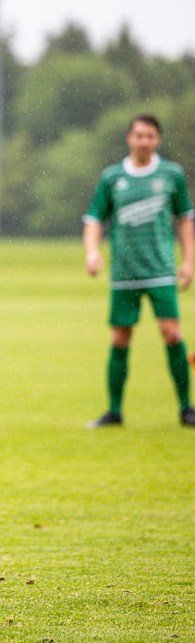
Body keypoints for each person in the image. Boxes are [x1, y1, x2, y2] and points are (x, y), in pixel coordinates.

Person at [83, 113, 195, 428]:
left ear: (157, 141)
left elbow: (185, 218)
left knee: (171, 332)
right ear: (129, 139)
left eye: (150, 136)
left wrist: (188, 260)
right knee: (120, 337)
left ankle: (187, 408)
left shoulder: (172, 175)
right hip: (124, 271)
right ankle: (114, 411)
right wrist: (92, 252)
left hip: (161, 269)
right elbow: (93, 219)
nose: (144, 141)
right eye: (138, 135)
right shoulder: (112, 177)